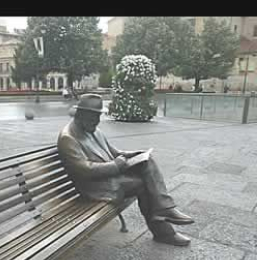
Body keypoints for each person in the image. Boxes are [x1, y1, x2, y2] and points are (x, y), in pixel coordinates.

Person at [57, 94, 194, 246]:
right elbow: (85, 170)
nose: (96, 122)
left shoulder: (93, 129)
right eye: (93, 118)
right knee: (143, 184)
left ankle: (165, 210)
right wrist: (116, 165)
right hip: (95, 187)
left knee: (146, 162)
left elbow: (112, 151)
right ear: (81, 114)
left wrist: (130, 154)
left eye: (98, 117)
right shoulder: (68, 138)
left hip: (108, 177)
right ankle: (164, 227)